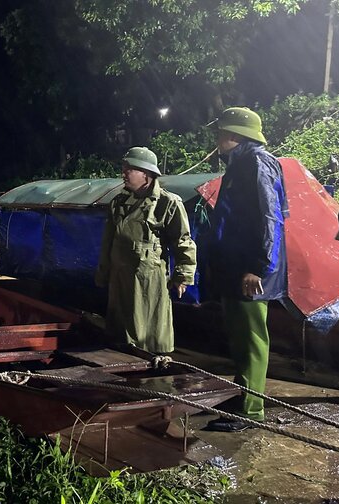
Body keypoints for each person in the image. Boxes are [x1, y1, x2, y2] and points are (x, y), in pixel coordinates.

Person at [205, 107, 289, 432]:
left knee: (252, 339)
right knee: (240, 337)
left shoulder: (257, 162)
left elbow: (271, 218)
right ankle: (242, 396)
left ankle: (251, 411)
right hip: (237, 266)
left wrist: (259, 266)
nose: (217, 138)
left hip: (252, 270)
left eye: (220, 132)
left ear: (235, 135)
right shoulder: (239, 165)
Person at [95, 146, 197, 354]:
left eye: (130, 168)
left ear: (147, 174)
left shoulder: (167, 203)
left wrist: (183, 276)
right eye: (124, 168)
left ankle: (150, 367)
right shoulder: (119, 203)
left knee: (147, 331)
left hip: (148, 279)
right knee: (118, 332)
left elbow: (183, 241)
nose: (124, 173)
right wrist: (103, 273)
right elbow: (108, 241)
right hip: (119, 277)